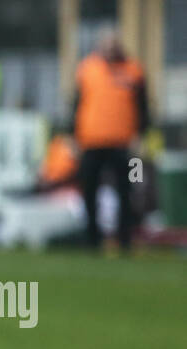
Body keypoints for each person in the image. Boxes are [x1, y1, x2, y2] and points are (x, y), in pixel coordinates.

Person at [73, 28, 148, 252]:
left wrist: (141, 135)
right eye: (106, 44)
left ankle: (124, 240)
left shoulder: (133, 70)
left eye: (113, 44)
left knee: (125, 192)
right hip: (91, 141)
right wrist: (73, 135)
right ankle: (92, 240)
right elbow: (76, 104)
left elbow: (143, 108)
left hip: (122, 142)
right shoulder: (87, 69)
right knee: (89, 191)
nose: (110, 48)